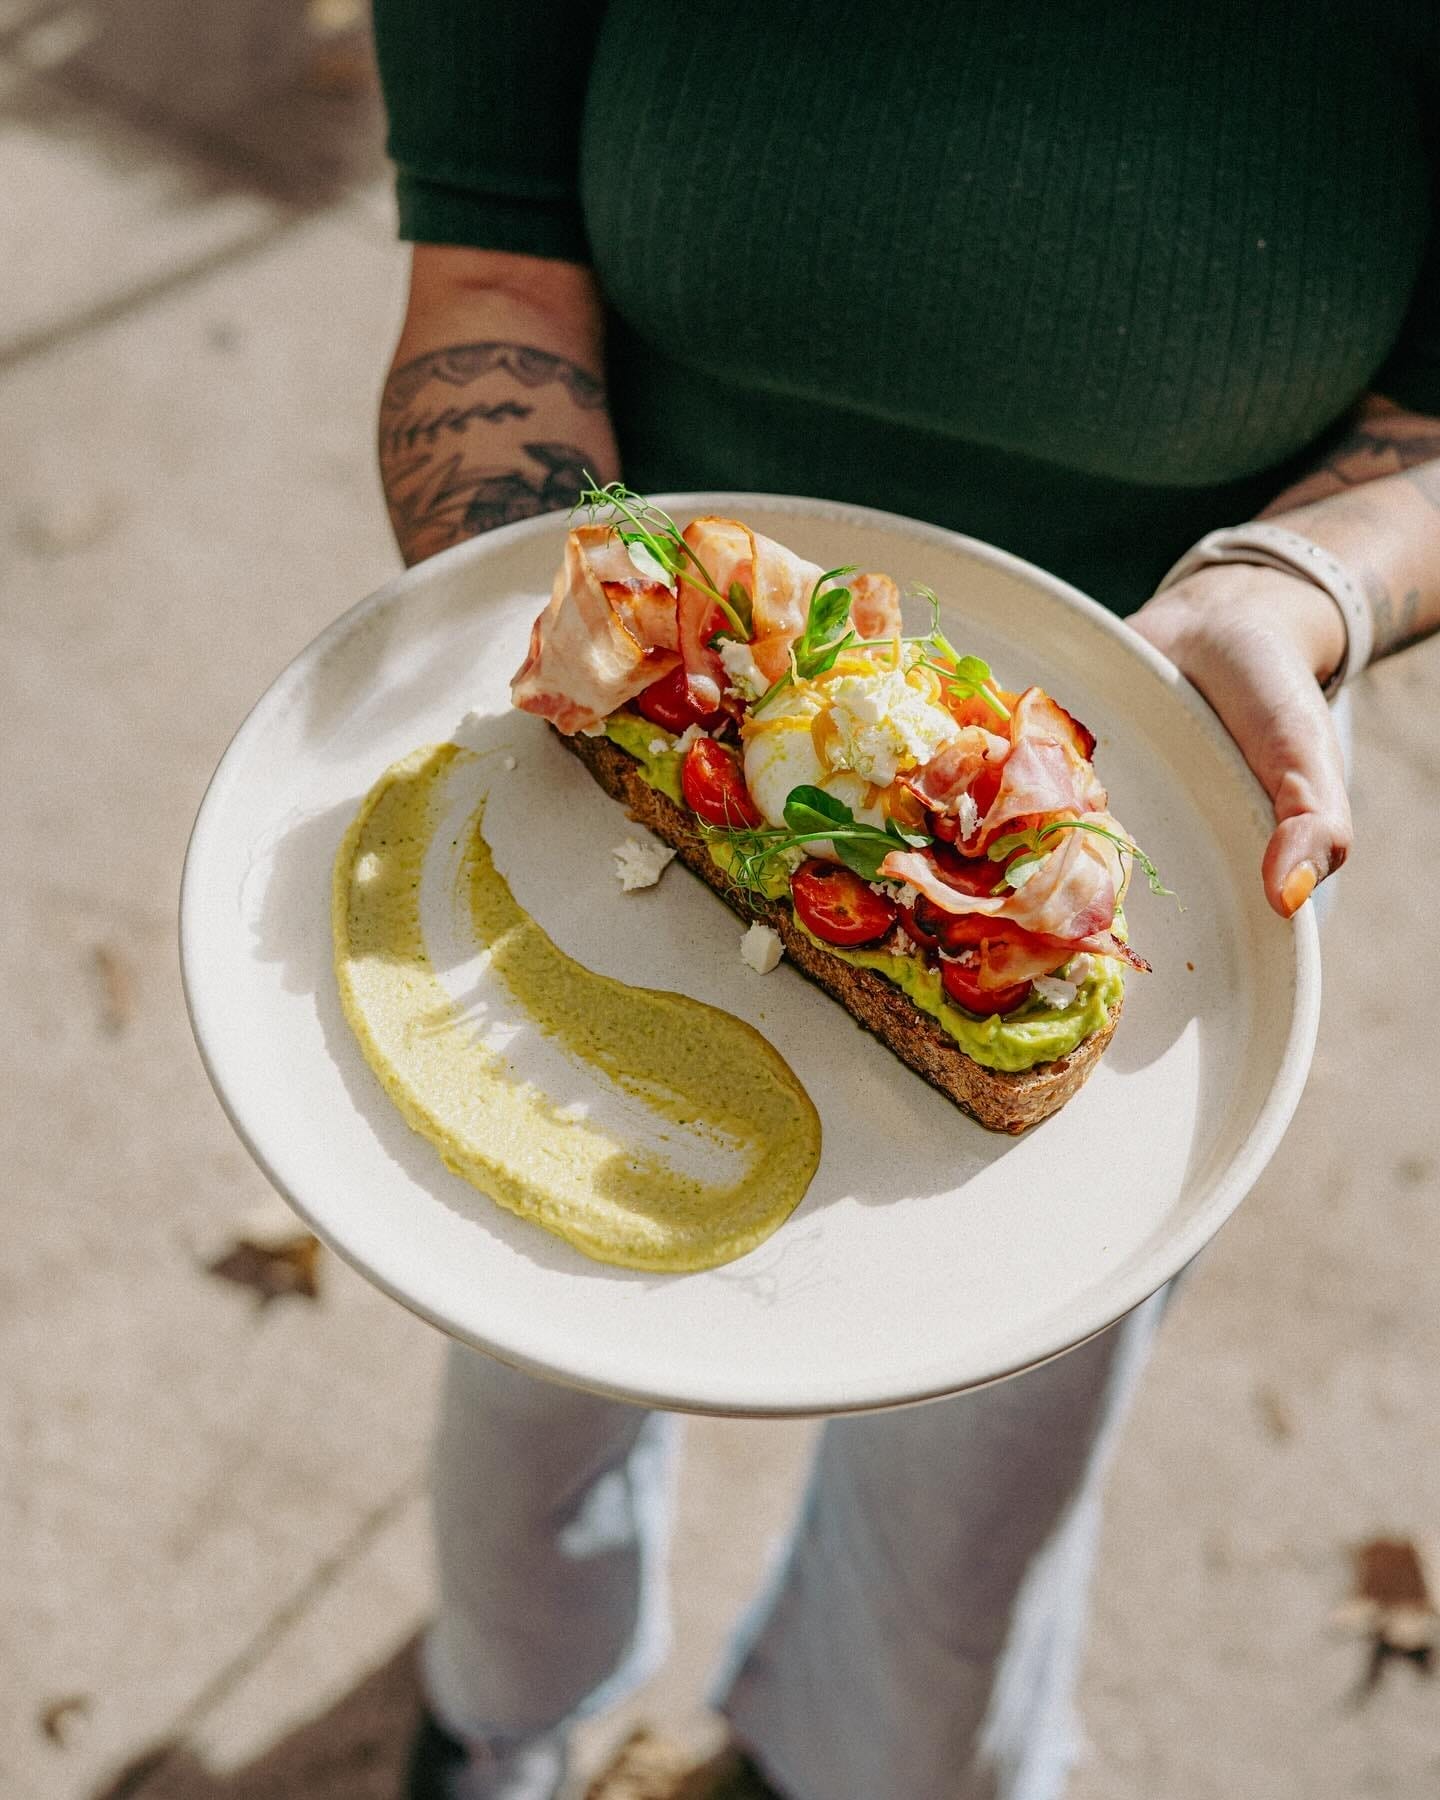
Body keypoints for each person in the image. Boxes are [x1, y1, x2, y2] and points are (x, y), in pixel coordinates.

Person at [369, 6, 1440, 1797]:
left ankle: (845, 1765)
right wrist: (577, 615)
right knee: (529, 1336)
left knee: (978, 1473)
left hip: (1165, 756)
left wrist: (1292, 578)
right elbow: (490, 266)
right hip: (655, 627)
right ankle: (506, 1716)